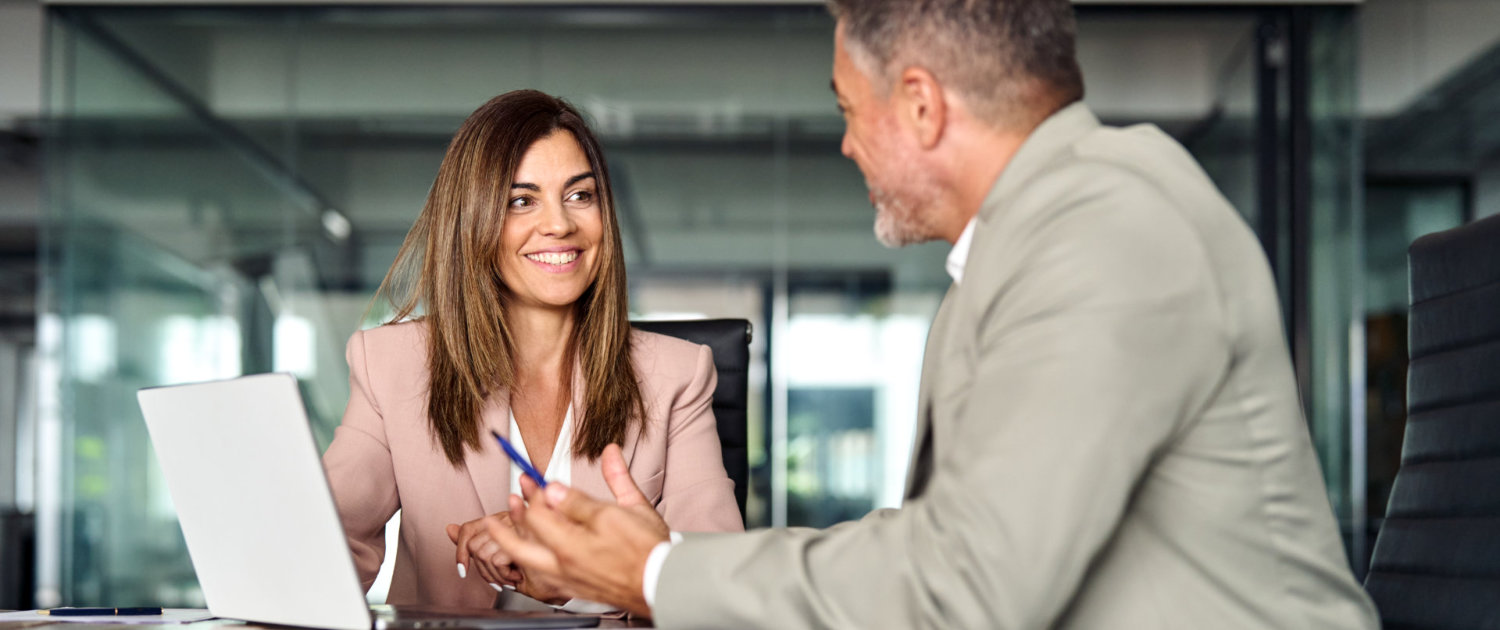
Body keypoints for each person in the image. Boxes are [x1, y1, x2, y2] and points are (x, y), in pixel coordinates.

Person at [483, 1, 1384, 628]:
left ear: (920, 105)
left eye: (850, 110)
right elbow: (934, 546)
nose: (846, 144)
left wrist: (657, 572)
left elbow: (965, 586)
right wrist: (662, 558)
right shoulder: (1014, 256)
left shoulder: (1108, 231)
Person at [322, 90, 743, 611]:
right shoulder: (392, 365)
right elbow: (323, 551)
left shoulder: (677, 375)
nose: (560, 224)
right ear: (472, 221)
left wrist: (579, 574)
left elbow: (721, 594)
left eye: (580, 195)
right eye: (521, 201)